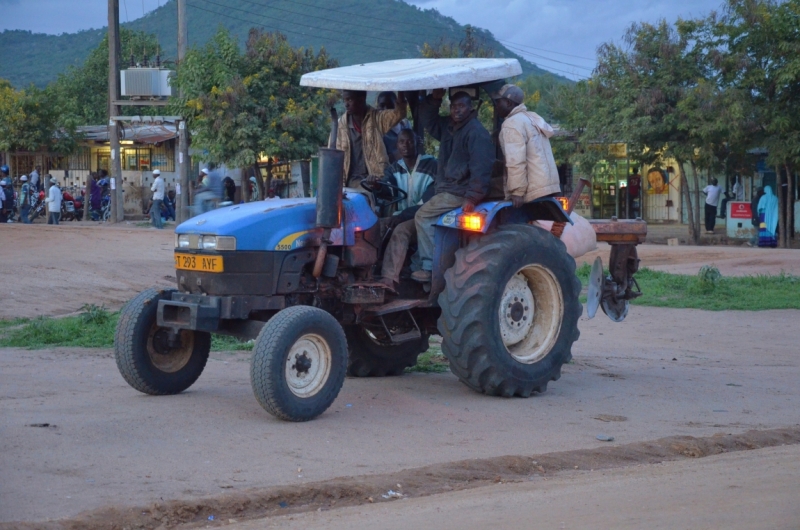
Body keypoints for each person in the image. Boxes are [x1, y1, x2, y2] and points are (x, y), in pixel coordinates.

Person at [412, 89, 495, 282]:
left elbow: (481, 168)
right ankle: (414, 263)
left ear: (470, 107)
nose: (456, 110)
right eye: (453, 106)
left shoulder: (476, 133)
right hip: (444, 188)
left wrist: (472, 197)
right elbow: (428, 121)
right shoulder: (451, 127)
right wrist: (434, 99)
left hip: (458, 191)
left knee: (422, 216)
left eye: (461, 106)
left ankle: (429, 267)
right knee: (407, 216)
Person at [374, 129, 437, 290]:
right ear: (397, 145)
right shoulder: (395, 168)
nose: (406, 145)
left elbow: (427, 204)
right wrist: (377, 186)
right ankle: (369, 272)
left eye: (410, 141)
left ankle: (389, 279)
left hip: (424, 219)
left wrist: (402, 216)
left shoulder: (431, 165)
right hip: (401, 215)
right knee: (375, 227)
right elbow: (388, 190)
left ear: (417, 143)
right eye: (402, 142)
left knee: (401, 230)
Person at [492, 84, 560, 209]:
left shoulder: (511, 124)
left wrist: (517, 192)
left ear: (508, 103)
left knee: (483, 187)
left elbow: (516, 161)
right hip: (547, 186)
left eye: (498, 102)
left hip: (532, 189)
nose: (496, 106)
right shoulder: (531, 117)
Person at [336, 90, 407, 186]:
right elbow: (333, 157)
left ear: (362, 99)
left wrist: (401, 89)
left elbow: (400, 113)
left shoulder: (377, 118)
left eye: (350, 100)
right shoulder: (341, 125)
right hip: (350, 182)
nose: (346, 104)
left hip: (377, 179)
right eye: (345, 100)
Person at [377, 91, 412, 164]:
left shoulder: (406, 124)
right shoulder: (377, 130)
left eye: (390, 106)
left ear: (396, 106)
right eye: (382, 106)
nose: (386, 109)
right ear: (377, 108)